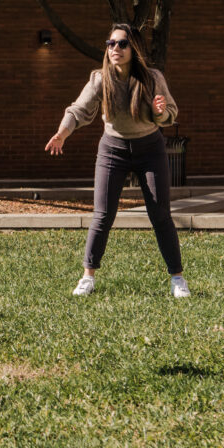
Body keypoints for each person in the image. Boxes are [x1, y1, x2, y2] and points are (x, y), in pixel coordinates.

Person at [44, 23, 188, 298]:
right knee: (103, 215)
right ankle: (88, 277)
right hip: (113, 150)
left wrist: (159, 112)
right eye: (110, 44)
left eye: (121, 44)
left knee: (160, 215)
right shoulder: (100, 79)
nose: (115, 49)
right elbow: (78, 109)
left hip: (150, 149)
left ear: (134, 48)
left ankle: (177, 278)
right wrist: (62, 133)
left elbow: (169, 114)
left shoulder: (152, 78)